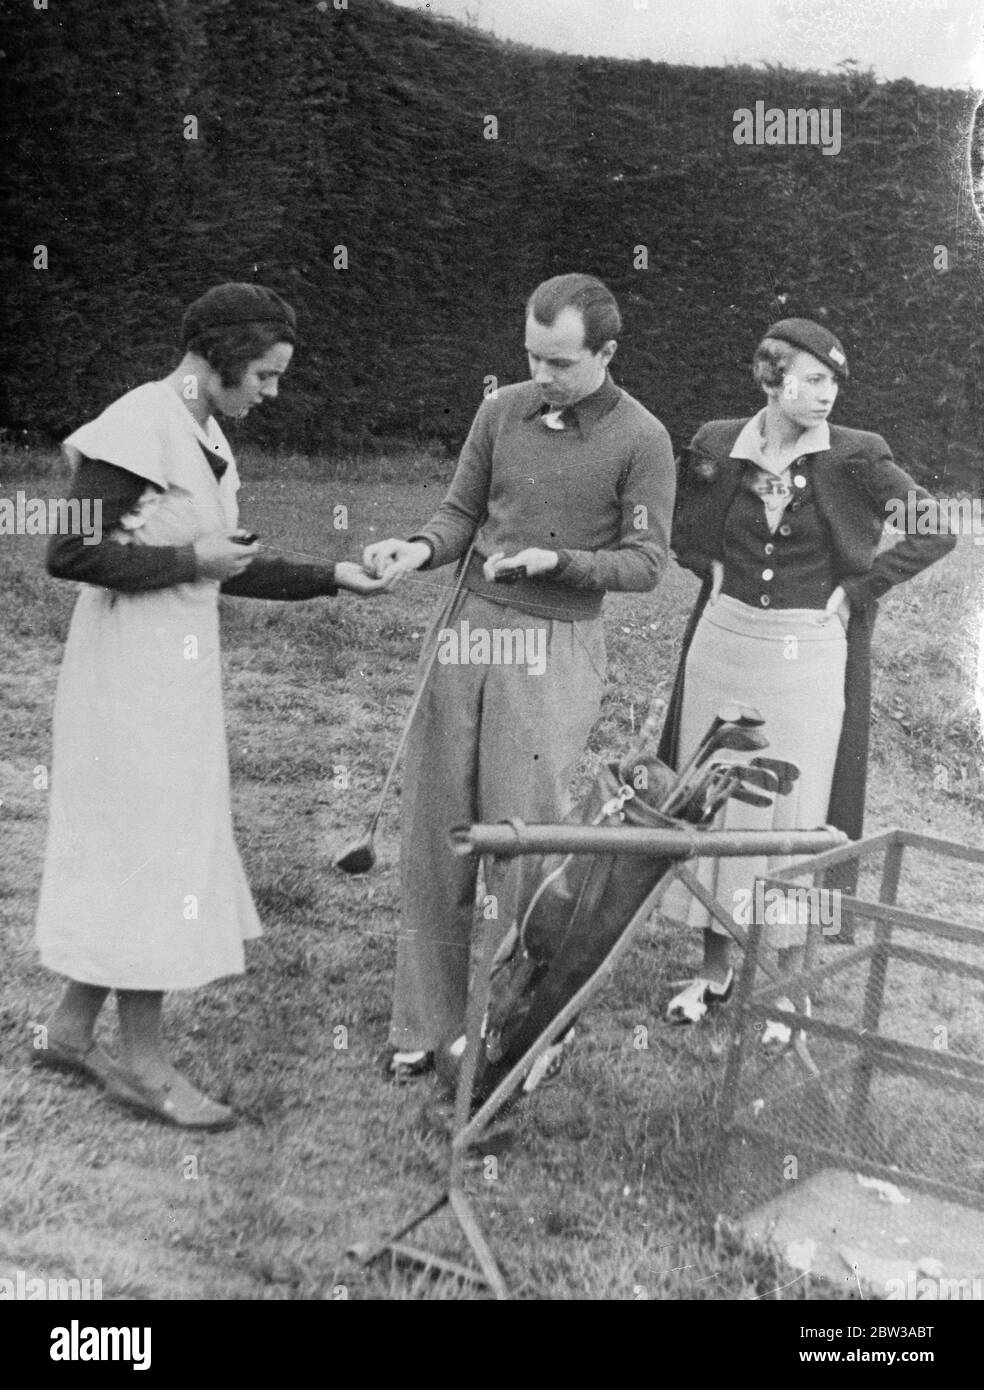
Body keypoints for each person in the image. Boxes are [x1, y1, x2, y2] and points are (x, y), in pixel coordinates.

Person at [34, 282, 390, 1129]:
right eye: (265, 375)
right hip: (126, 670)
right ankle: (147, 1065)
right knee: (152, 850)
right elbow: (67, 551)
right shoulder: (137, 425)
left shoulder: (204, 434)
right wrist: (189, 558)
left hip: (173, 666)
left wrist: (329, 576)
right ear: (224, 356)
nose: (271, 392)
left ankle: (72, 1029)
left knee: (152, 839)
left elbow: (223, 560)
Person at [363, 273, 676, 1079]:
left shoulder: (643, 438)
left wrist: (559, 561)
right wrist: (417, 550)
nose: (543, 374)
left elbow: (647, 564)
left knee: (521, 834)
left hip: (555, 643)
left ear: (605, 353)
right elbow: (460, 513)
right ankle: (422, 1022)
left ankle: (497, 1021)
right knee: (438, 828)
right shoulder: (500, 410)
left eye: (562, 362)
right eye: (533, 356)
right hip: (469, 629)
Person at [657, 318, 957, 1023]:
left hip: (809, 652)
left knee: (797, 806)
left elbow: (936, 528)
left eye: (833, 383)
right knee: (719, 801)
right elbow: (670, 525)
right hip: (725, 640)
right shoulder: (714, 443)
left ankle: (794, 987)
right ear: (770, 378)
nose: (827, 395)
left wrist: (855, 592)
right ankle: (713, 973)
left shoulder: (857, 456)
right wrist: (712, 566)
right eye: (811, 380)